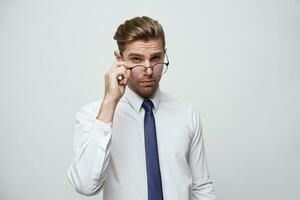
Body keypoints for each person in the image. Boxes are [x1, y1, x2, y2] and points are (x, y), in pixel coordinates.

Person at [68, 16, 217, 200]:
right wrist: (109, 102)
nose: (148, 70)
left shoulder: (187, 113)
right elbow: (84, 186)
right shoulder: (93, 115)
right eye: (137, 59)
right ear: (119, 59)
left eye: (155, 58)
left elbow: (201, 187)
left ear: (164, 54)